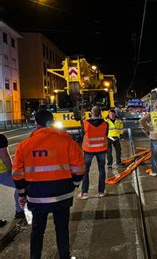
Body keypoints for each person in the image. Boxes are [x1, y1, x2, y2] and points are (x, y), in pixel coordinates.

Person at [12, 109, 84, 259]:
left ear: (36, 124)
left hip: (36, 196)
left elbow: (17, 174)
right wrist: (74, 184)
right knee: (62, 228)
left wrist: (22, 194)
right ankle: (64, 256)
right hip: (62, 194)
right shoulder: (67, 141)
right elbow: (79, 168)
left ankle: (35, 257)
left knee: (37, 230)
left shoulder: (24, 145)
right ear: (51, 122)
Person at [79, 105, 108, 199]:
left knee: (86, 170)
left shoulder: (85, 123)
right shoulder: (105, 123)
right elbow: (106, 134)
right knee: (102, 170)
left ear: (91, 113)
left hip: (88, 150)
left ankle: (84, 193)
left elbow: (82, 134)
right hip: (102, 150)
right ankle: (101, 192)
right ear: (100, 113)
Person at [0, 133, 24, 227]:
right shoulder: (0, 138)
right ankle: (19, 212)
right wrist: (11, 170)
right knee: (20, 186)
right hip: (2, 172)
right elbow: (4, 155)